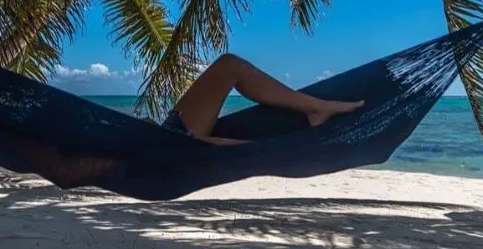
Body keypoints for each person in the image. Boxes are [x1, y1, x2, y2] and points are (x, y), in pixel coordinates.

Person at [24, 54, 364, 187]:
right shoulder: (133, 159)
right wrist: (269, 153)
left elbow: (202, 149)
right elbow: (199, 149)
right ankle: (315, 107)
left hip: (170, 142)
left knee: (231, 72)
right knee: (230, 66)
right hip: (173, 139)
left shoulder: (91, 154)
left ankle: (310, 114)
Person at [160, 53, 364, 145]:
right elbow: (194, 148)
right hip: (166, 143)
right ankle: (316, 108)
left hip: (160, 139)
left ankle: (315, 108)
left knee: (230, 65)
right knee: (230, 65)